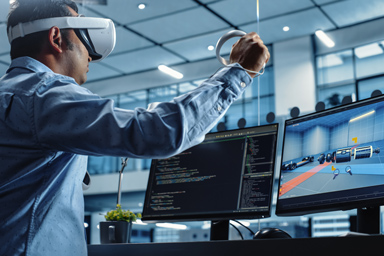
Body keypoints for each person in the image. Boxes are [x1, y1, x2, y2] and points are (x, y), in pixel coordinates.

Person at [0, 0, 269, 255]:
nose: (90, 57)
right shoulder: (44, 96)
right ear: (57, 38)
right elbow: (161, 131)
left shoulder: (11, 96)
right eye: (82, 37)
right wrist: (240, 71)